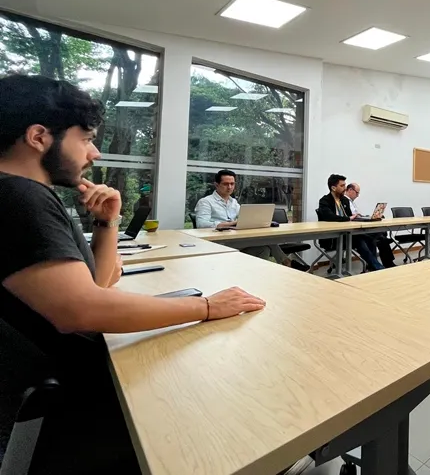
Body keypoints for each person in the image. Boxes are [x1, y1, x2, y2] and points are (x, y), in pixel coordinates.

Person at [0, 75, 267, 474]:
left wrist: (108, 224)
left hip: (66, 382)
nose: (94, 154)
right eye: (86, 138)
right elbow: (81, 309)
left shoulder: (32, 195)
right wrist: (208, 306)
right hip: (67, 402)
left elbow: (98, 285)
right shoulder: (20, 197)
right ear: (39, 136)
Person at [194, 169, 305, 270]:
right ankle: (287, 263)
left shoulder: (233, 202)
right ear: (216, 185)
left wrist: (255, 221)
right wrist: (226, 224)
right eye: (225, 184)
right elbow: (201, 224)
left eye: (232, 184)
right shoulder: (206, 202)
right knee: (265, 240)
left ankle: (258, 277)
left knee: (264, 249)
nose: (229, 187)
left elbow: (244, 217)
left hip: (235, 240)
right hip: (218, 243)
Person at [318, 174, 383, 271]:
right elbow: (330, 217)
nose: (345, 188)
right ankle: (377, 267)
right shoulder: (324, 201)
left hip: (347, 233)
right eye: (342, 186)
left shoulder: (344, 200)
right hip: (331, 237)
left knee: (370, 238)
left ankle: (373, 267)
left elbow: (350, 217)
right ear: (333, 188)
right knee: (359, 240)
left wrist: (358, 218)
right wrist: (348, 218)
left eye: (345, 185)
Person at [344, 182, 396, 268]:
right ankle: (384, 264)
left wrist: (363, 216)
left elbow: (355, 215)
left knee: (380, 233)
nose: (358, 195)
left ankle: (386, 263)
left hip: (358, 226)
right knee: (380, 235)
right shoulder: (344, 201)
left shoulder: (351, 202)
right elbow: (348, 217)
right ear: (350, 190)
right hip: (352, 230)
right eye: (357, 193)